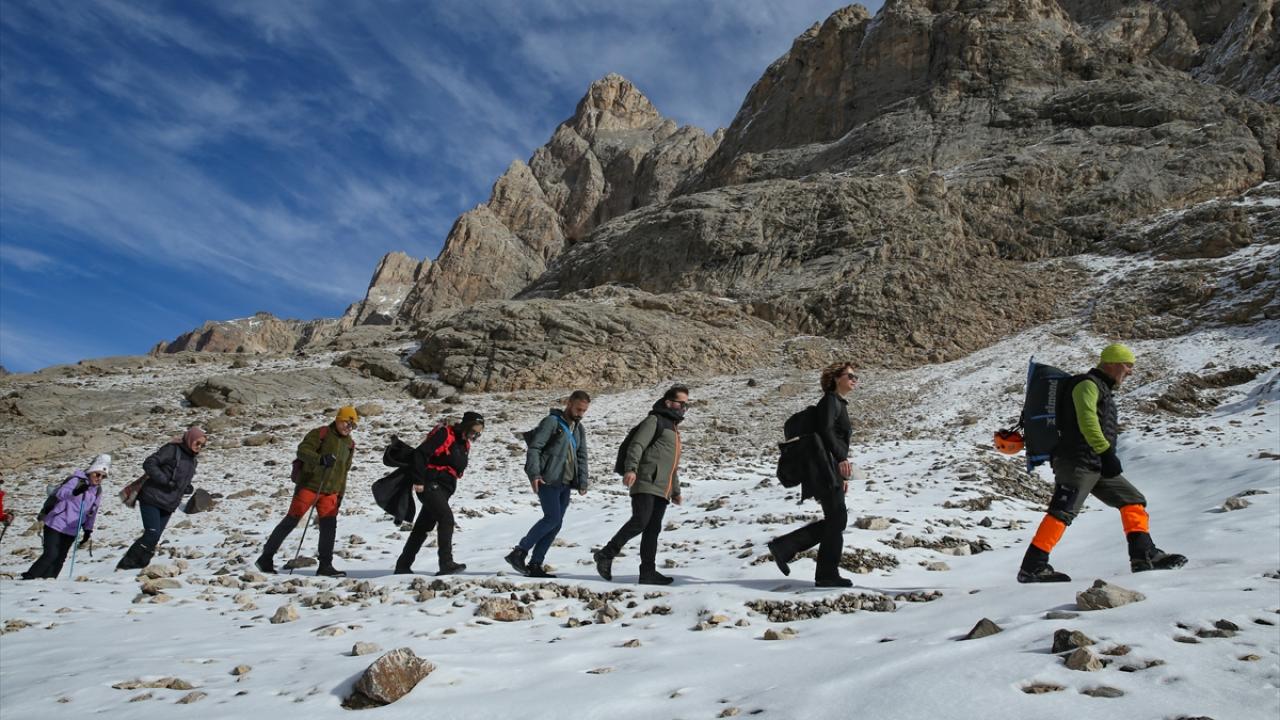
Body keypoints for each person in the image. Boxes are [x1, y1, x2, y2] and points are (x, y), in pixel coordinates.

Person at [1017, 343, 1187, 583]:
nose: (1130, 371)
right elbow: (1087, 420)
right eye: (1127, 365)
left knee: (1132, 499)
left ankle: (1144, 556)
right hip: (1076, 460)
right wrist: (1106, 452)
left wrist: (1103, 457)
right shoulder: (1086, 385)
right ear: (1112, 363)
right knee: (1063, 510)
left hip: (1094, 462)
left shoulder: (1102, 389)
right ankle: (1032, 567)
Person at [767, 362, 858, 587]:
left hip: (829, 468)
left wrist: (842, 475)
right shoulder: (830, 401)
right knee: (837, 519)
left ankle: (789, 549)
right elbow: (826, 432)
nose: (855, 379)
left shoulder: (838, 403)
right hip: (823, 468)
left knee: (836, 519)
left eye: (856, 376)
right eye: (850, 375)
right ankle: (821, 570)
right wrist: (842, 460)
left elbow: (833, 438)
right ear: (836, 378)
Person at [593, 385, 689, 585]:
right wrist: (631, 469)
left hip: (663, 489)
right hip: (645, 481)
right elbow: (637, 444)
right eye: (681, 403)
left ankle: (648, 572)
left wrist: (676, 491)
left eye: (686, 404)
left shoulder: (674, 430)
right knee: (640, 521)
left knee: (652, 530)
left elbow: (671, 466)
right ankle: (606, 554)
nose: (683, 408)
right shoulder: (654, 420)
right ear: (668, 402)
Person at [256, 407, 358, 577]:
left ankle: (325, 566)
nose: (349, 427)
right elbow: (302, 451)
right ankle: (265, 558)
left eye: (353, 425)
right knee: (291, 521)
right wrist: (320, 460)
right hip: (310, 486)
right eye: (347, 422)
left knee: (329, 527)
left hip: (331, 491)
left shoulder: (350, 444)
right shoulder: (321, 433)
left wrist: (340, 493)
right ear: (338, 419)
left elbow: (344, 471)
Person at [505, 391, 591, 578]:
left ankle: (536, 564)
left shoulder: (579, 428)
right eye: (578, 409)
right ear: (569, 403)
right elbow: (535, 448)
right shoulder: (551, 422)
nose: (580, 414)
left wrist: (583, 481)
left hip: (565, 482)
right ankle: (519, 552)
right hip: (548, 479)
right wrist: (534, 474)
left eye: (584, 411)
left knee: (556, 523)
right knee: (552, 518)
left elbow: (581, 455)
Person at [394, 411, 485, 576]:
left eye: (478, 433)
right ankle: (446, 563)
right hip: (430, 484)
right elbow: (421, 453)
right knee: (446, 519)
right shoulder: (445, 434)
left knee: (423, 527)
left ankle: (403, 565)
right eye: (474, 431)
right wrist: (419, 481)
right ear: (466, 425)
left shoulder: (463, 443)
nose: (475, 435)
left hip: (443, 489)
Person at [117, 428, 205, 570]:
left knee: (155, 537)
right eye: (197, 442)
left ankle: (139, 567)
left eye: (203, 445)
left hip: (169, 503)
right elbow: (149, 463)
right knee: (152, 533)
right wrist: (165, 480)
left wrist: (186, 487)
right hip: (152, 497)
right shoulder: (172, 450)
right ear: (189, 439)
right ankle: (126, 565)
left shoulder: (193, 461)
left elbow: (179, 479)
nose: (199, 447)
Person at [23, 455, 108, 579]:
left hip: (73, 528)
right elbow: (60, 493)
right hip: (56, 523)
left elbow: (93, 511)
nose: (99, 478)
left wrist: (88, 530)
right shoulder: (76, 480)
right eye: (97, 474)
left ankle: (48, 582)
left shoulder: (97, 491)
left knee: (61, 557)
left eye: (103, 476)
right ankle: (29, 577)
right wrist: (75, 491)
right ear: (90, 472)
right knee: (51, 554)